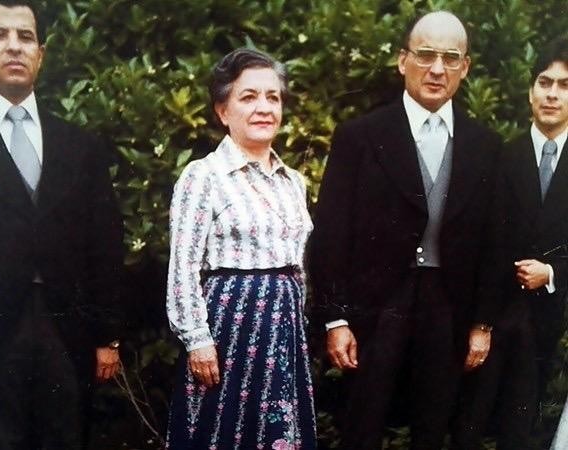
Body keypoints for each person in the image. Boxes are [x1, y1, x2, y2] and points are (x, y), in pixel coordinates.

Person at [310, 11, 502, 450]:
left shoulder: (486, 146)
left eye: (450, 58)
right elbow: (332, 233)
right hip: (375, 310)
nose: (437, 69)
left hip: (448, 310)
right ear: (402, 60)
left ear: (465, 68)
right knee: (361, 427)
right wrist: (335, 318)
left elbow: (494, 241)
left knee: (432, 429)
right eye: (426, 55)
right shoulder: (360, 136)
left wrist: (482, 323)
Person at [0, 1, 124, 448]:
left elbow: (104, 243)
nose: (14, 46)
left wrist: (107, 335)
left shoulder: (80, 146)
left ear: (41, 53)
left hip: (65, 330)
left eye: (26, 36)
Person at [165, 48, 316, 449]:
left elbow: (299, 266)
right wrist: (197, 339)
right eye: (248, 97)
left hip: (283, 330)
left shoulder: (293, 182)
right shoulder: (203, 176)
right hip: (228, 332)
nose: (263, 107)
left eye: (273, 97)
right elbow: (183, 267)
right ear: (223, 111)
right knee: (223, 432)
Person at [453, 35, 568, 450]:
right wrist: (480, 323)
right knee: (468, 425)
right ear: (531, 91)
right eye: (544, 82)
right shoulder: (501, 156)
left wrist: (552, 272)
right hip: (493, 318)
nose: (552, 94)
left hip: (547, 321)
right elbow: (479, 242)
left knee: (520, 432)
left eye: (564, 85)